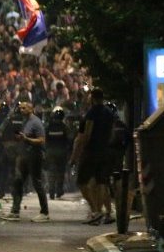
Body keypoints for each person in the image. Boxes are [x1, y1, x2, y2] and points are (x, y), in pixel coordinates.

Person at [72, 89, 115, 225]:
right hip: (105, 151)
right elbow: (112, 133)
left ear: (93, 98)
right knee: (102, 182)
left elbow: (87, 134)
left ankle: (95, 210)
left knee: (82, 181)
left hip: (91, 151)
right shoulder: (109, 113)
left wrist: (79, 153)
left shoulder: (92, 112)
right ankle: (105, 212)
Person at [7, 102, 50, 222]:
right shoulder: (25, 121)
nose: (21, 110)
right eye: (20, 108)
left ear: (31, 109)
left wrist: (27, 139)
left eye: (24, 108)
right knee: (18, 182)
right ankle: (15, 211)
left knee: (37, 183)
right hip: (25, 157)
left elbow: (41, 140)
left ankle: (44, 212)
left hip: (35, 156)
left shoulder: (36, 122)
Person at [44, 108, 71, 199]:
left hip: (50, 152)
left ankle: (51, 191)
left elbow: (45, 139)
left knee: (51, 172)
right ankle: (59, 190)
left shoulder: (49, 127)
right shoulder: (64, 127)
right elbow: (69, 139)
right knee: (60, 172)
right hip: (62, 152)